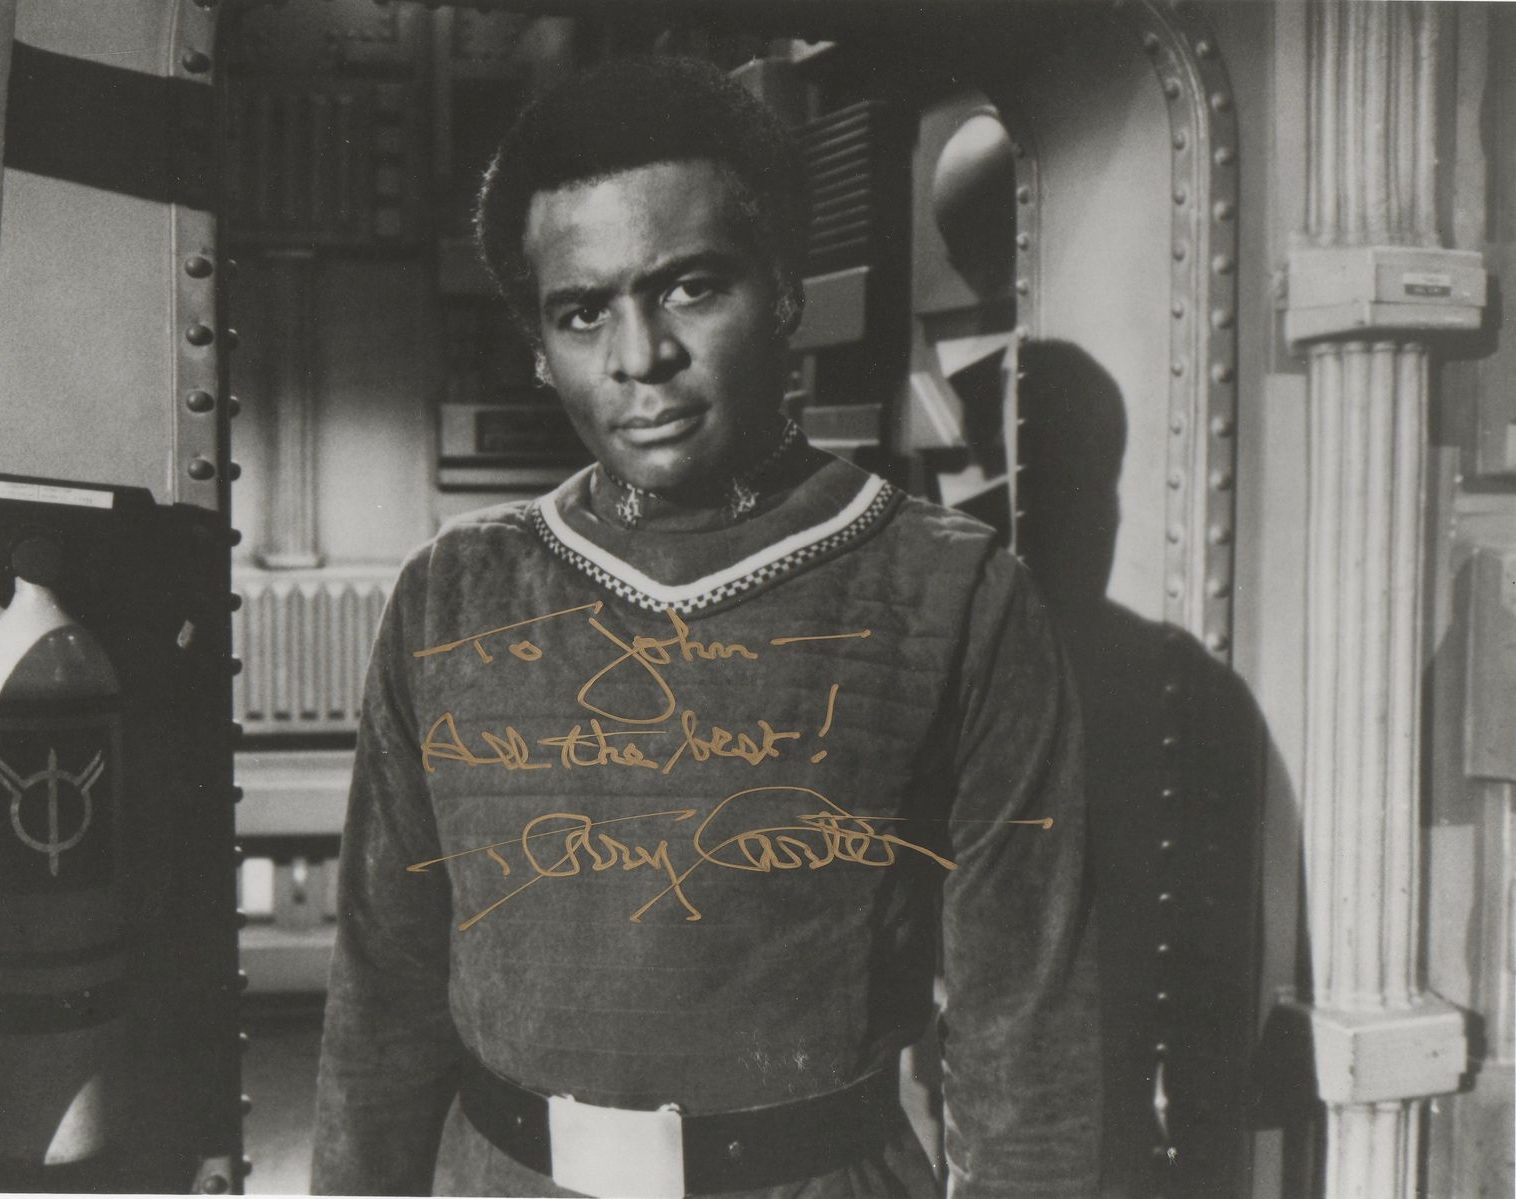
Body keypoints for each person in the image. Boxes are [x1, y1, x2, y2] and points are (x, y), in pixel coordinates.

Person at [312, 55, 1099, 1198]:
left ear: (781, 289)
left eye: (688, 287)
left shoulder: (956, 591)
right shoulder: (451, 593)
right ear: (538, 347)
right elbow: (380, 1003)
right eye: (582, 311)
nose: (639, 358)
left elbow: (1025, 1040)